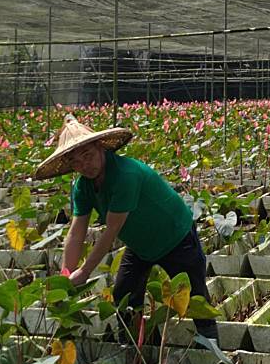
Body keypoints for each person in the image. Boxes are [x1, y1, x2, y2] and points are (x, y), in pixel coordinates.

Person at [34, 114, 219, 346]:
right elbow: (76, 230)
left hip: (175, 236)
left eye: (88, 156)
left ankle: (213, 351)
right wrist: (66, 274)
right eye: (76, 162)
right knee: (125, 295)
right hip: (140, 245)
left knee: (195, 296)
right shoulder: (82, 187)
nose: (84, 166)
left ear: (100, 147)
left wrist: (84, 272)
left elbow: (112, 230)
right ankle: (138, 348)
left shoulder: (125, 175)